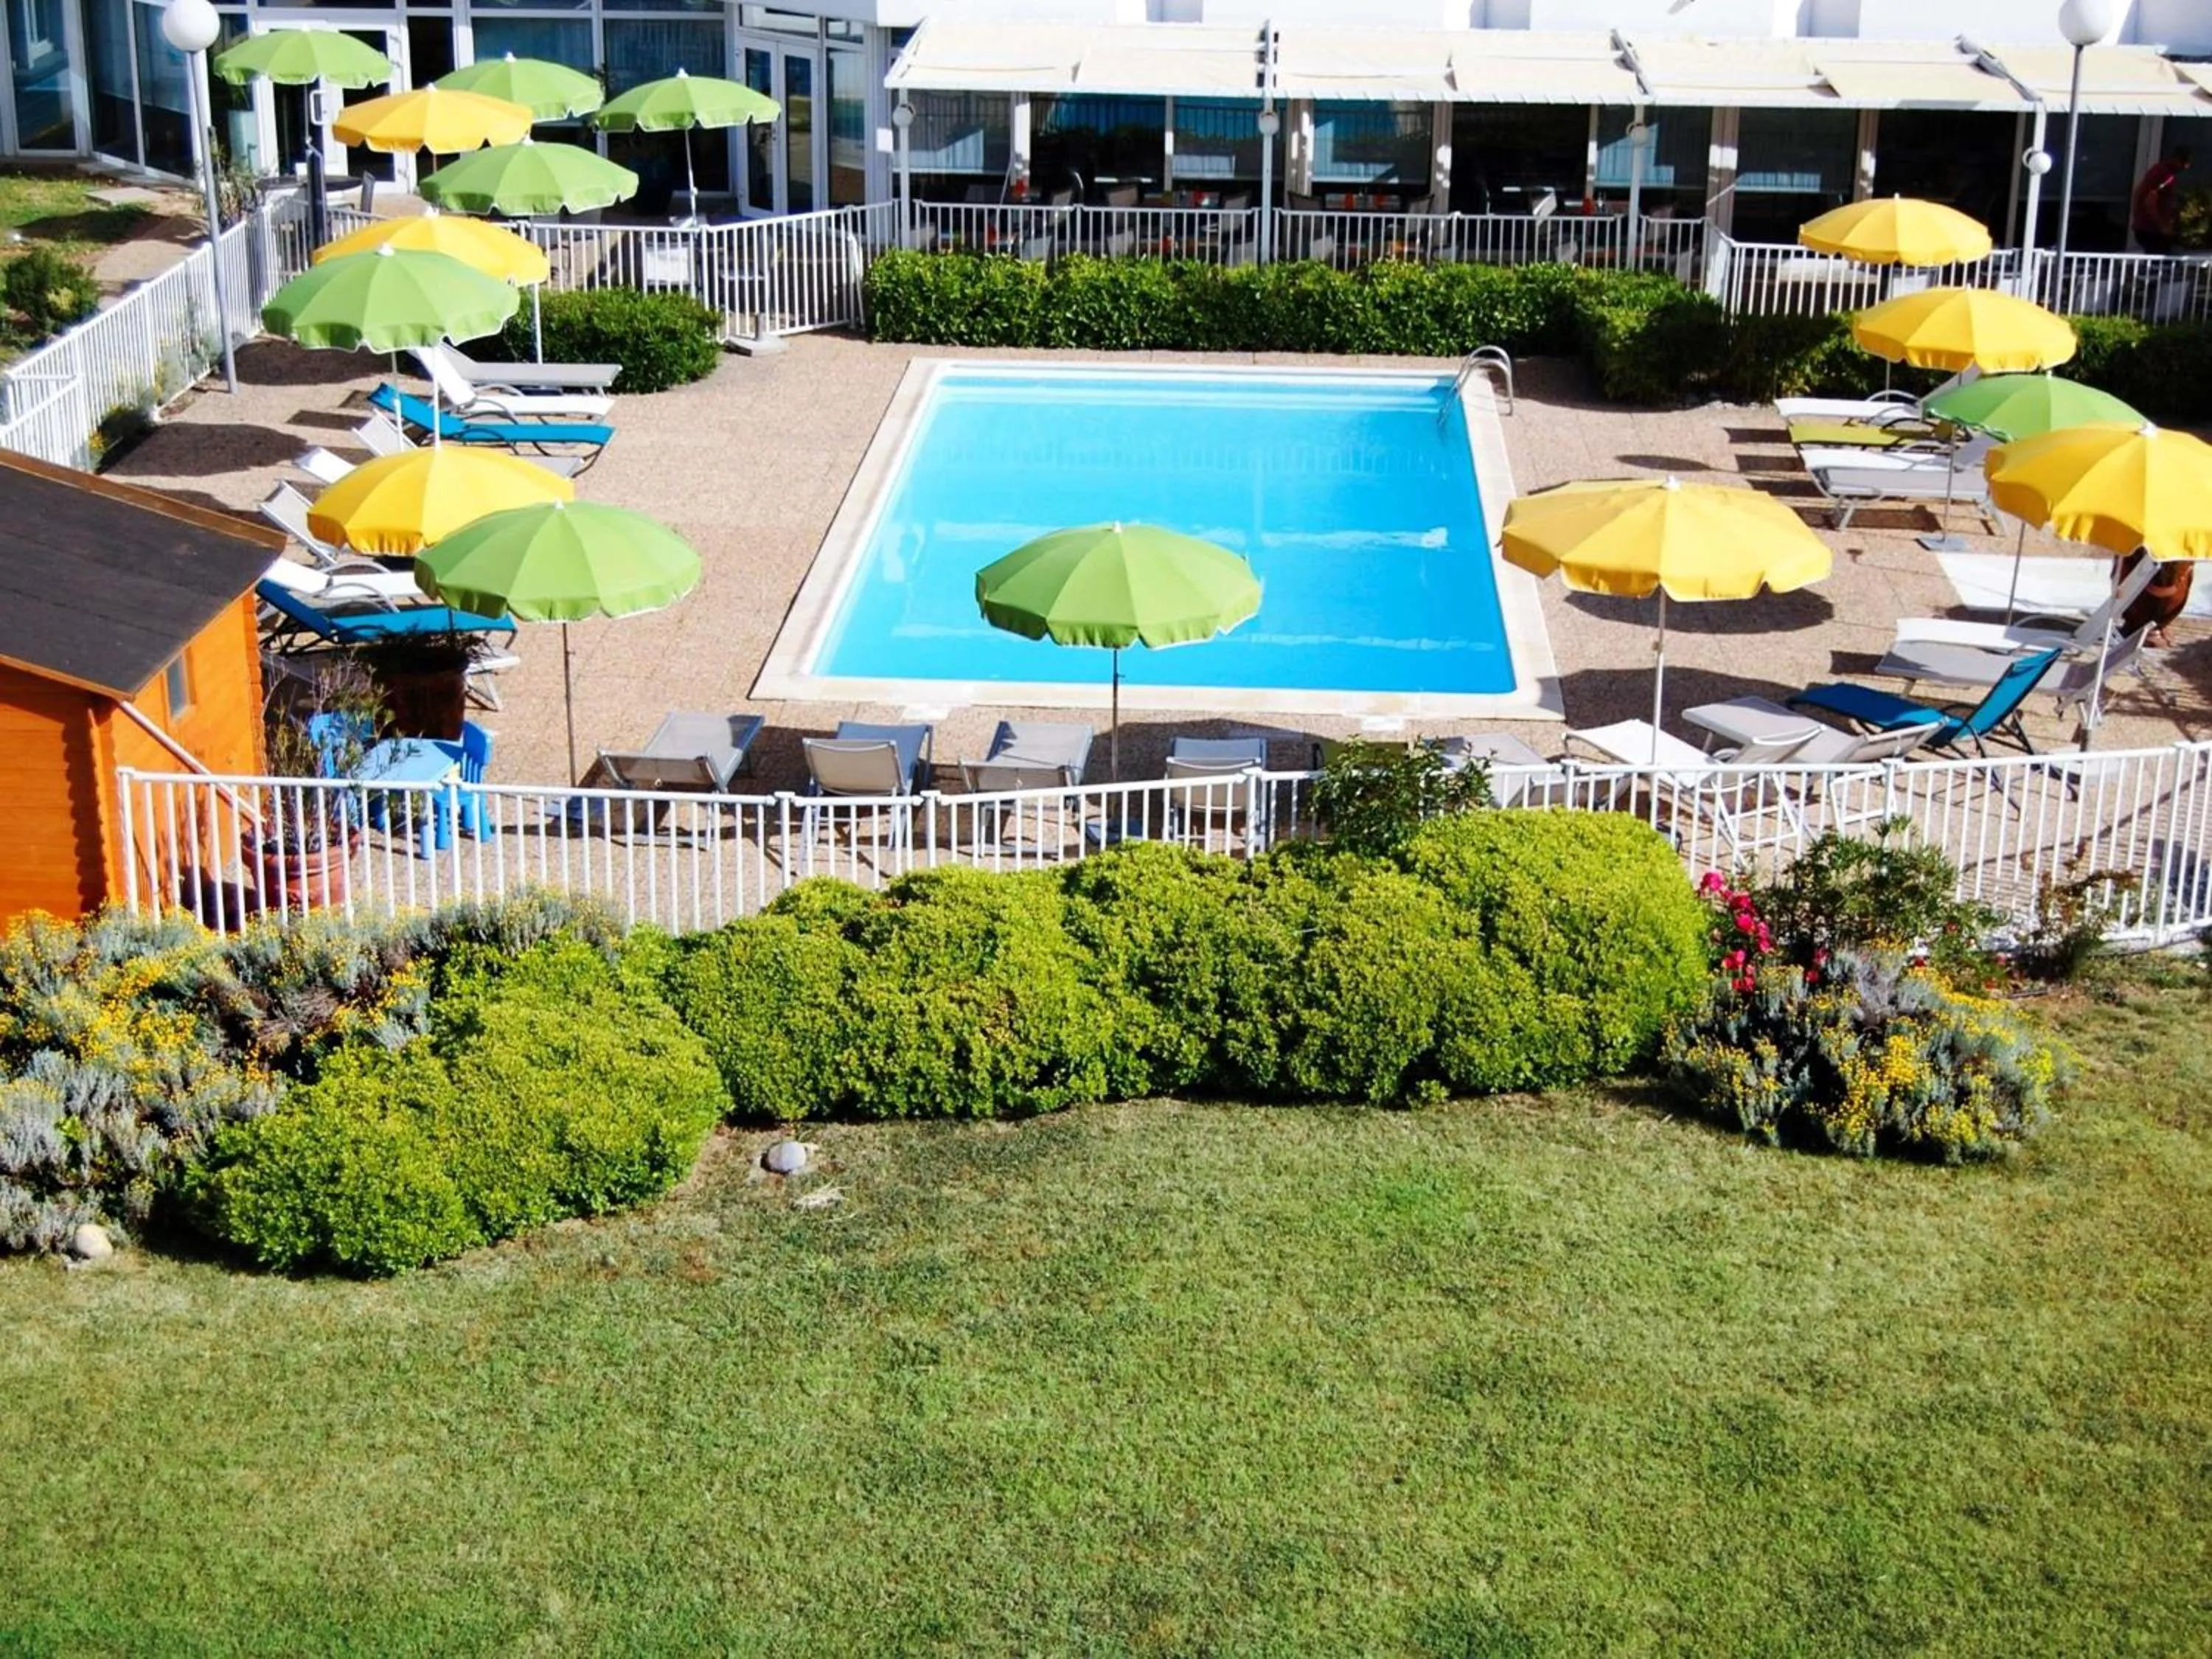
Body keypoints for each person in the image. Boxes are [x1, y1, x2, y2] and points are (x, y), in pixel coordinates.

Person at [2118, 549, 2194, 650]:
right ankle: (2157, 627)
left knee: (2124, 556)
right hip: (2166, 603)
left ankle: (2151, 627)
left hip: (2139, 604)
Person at [2131, 145, 2192, 254]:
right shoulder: (2165, 175)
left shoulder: (2159, 171)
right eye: (2184, 163)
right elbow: (2150, 201)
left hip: (2146, 227)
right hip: (2151, 229)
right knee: (2164, 260)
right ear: (2176, 159)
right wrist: (2163, 226)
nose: (2186, 167)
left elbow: (2138, 192)